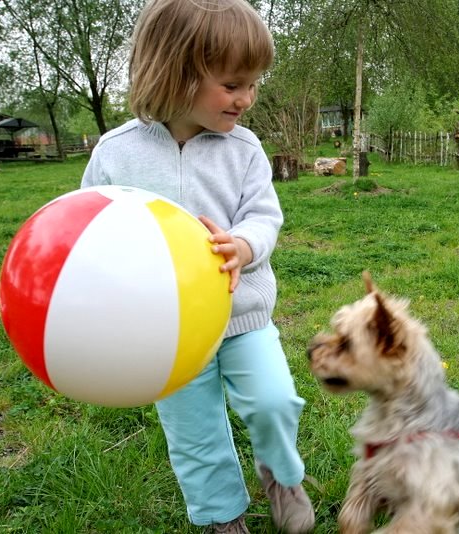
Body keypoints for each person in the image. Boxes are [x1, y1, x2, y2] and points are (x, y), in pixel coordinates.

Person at [80, 1, 314, 532]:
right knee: (194, 430)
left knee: (275, 400)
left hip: (242, 317)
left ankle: (281, 475)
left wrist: (245, 246)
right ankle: (222, 517)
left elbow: (263, 215)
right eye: (233, 84)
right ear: (177, 71)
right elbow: (88, 230)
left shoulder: (246, 150)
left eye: (254, 84)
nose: (247, 98)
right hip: (165, 335)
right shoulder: (116, 153)